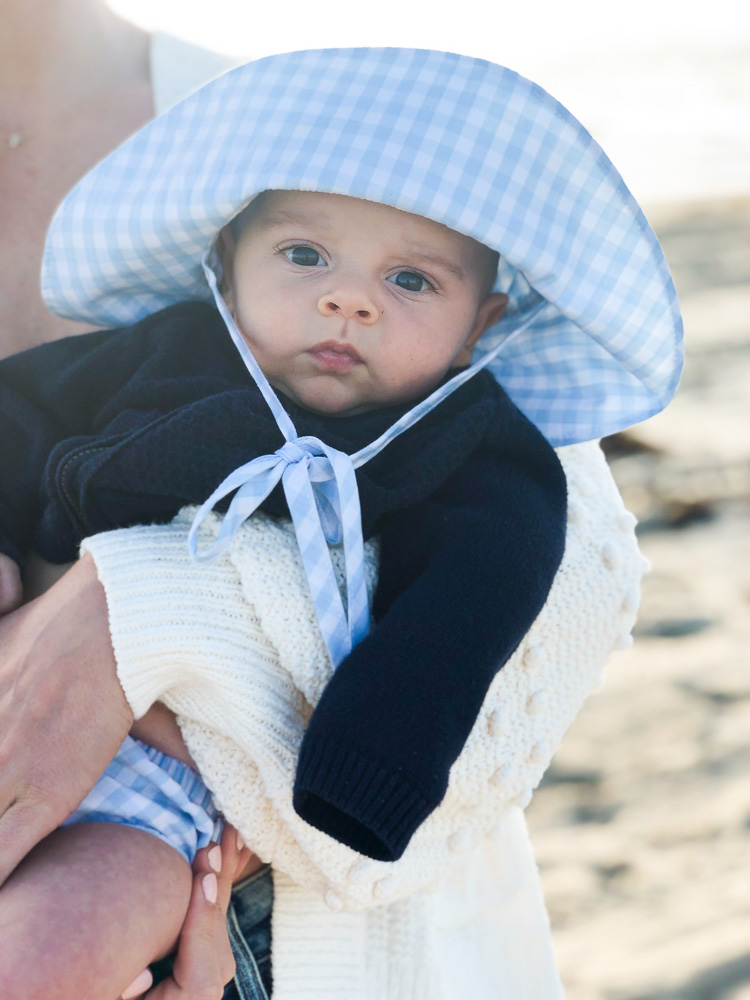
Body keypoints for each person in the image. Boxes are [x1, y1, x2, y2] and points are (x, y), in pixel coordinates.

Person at [0, 47, 683, 1000]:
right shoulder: (168, 352)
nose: (347, 298)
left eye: (412, 282)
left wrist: (362, 774)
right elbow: (20, 411)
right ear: (225, 264)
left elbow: (479, 600)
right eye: (305, 256)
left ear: (481, 326)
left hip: (182, 801)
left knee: (39, 959)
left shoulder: (460, 440)